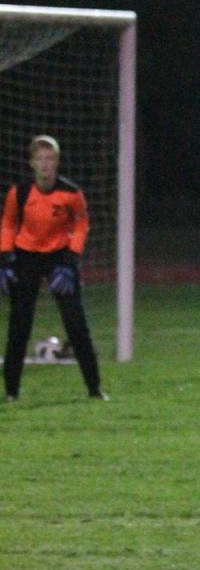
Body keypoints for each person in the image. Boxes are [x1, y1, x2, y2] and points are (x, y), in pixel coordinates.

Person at [1, 134, 106, 401]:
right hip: (26, 258)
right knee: (19, 326)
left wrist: (70, 262)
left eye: (50, 159)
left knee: (77, 325)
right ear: (31, 163)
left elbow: (81, 225)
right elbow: (9, 224)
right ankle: (11, 392)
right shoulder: (20, 192)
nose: (45, 164)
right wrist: (5, 260)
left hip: (60, 259)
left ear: (57, 162)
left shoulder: (71, 193)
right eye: (40, 159)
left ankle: (94, 390)